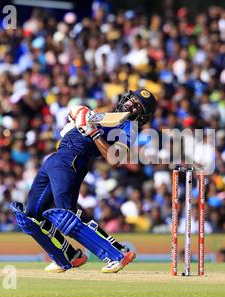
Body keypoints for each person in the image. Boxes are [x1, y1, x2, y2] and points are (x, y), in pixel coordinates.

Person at [11, 89, 156, 273]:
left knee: (66, 216)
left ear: (142, 116)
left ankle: (118, 253)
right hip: (56, 158)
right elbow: (76, 113)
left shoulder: (129, 128)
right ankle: (69, 256)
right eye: (132, 100)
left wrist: (93, 133)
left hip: (73, 160)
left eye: (137, 106)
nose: (131, 105)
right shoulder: (106, 113)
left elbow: (114, 158)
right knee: (30, 216)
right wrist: (78, 114)